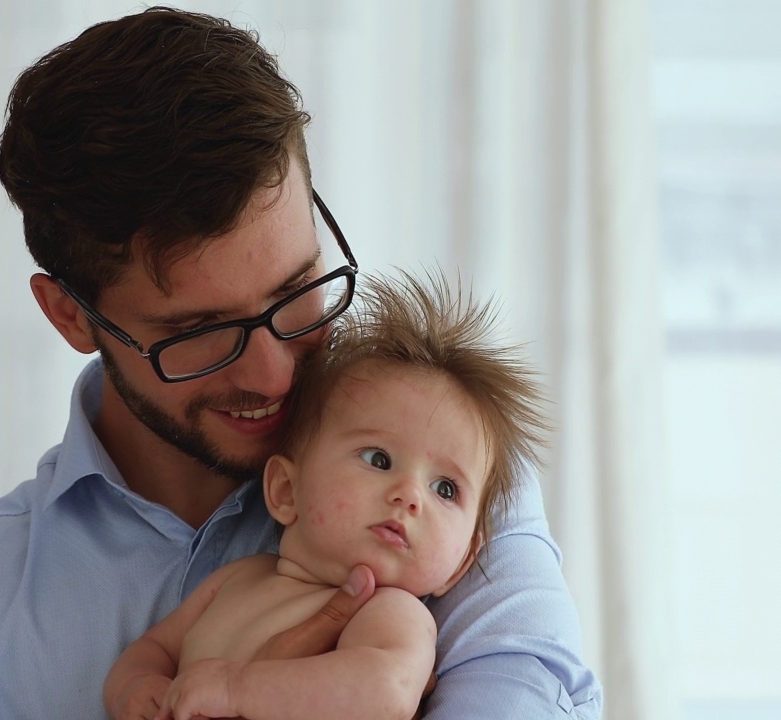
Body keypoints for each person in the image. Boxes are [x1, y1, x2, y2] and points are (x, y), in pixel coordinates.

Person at [0, 7, 601, 719]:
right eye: (200, 331)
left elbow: (523, 684)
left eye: (297, 290)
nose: (275, 376)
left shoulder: (440, 482)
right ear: (71, 315)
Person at [105, 271, 547, 720]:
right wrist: (136, 687)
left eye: (445, 489)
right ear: (285, 491)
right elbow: (154, 648)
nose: (410, 496)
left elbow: (386, 689)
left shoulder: (389, 611)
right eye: (378, 459)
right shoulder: (236, 581)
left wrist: (237, 689)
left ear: (462, 563)